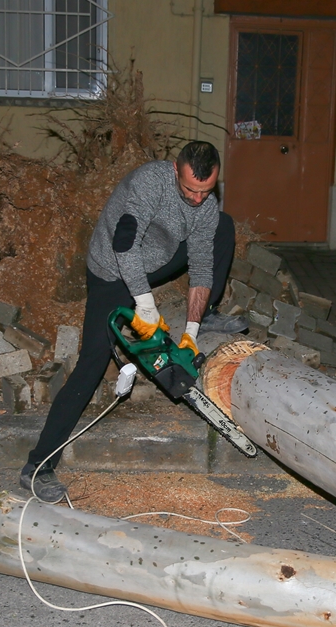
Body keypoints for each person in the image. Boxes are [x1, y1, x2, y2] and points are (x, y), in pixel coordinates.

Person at [20, 142, 247, 502]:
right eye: (190, 189)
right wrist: (144, 304)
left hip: (159, 256)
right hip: (111, 267)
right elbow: (123, 245)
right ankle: (38, 465)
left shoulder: (205, 205)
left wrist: (191, 329)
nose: (197, 198)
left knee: (222, 226)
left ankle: (209, 315)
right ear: (176, 170)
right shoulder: (149, 183)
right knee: (92, 362)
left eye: (206, 191)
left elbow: (202, 265)